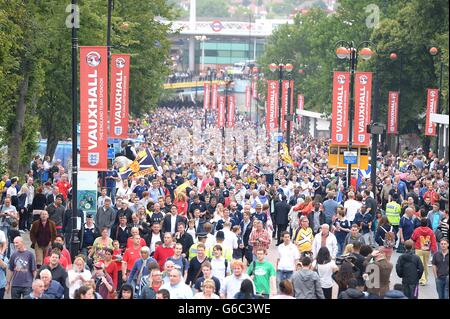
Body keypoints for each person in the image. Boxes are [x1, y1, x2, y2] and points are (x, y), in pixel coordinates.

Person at [411, 218, 438, 285]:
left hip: (419, 249)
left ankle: (422, 279)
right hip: (427, 250)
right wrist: (435, 251)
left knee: (420, 264)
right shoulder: (431, 231)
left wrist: (412, 247)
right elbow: (433, 242)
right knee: (426, 265)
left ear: (420, 223)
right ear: (427, 224)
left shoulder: (417, 230)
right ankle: (426, 278)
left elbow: (413, 238)